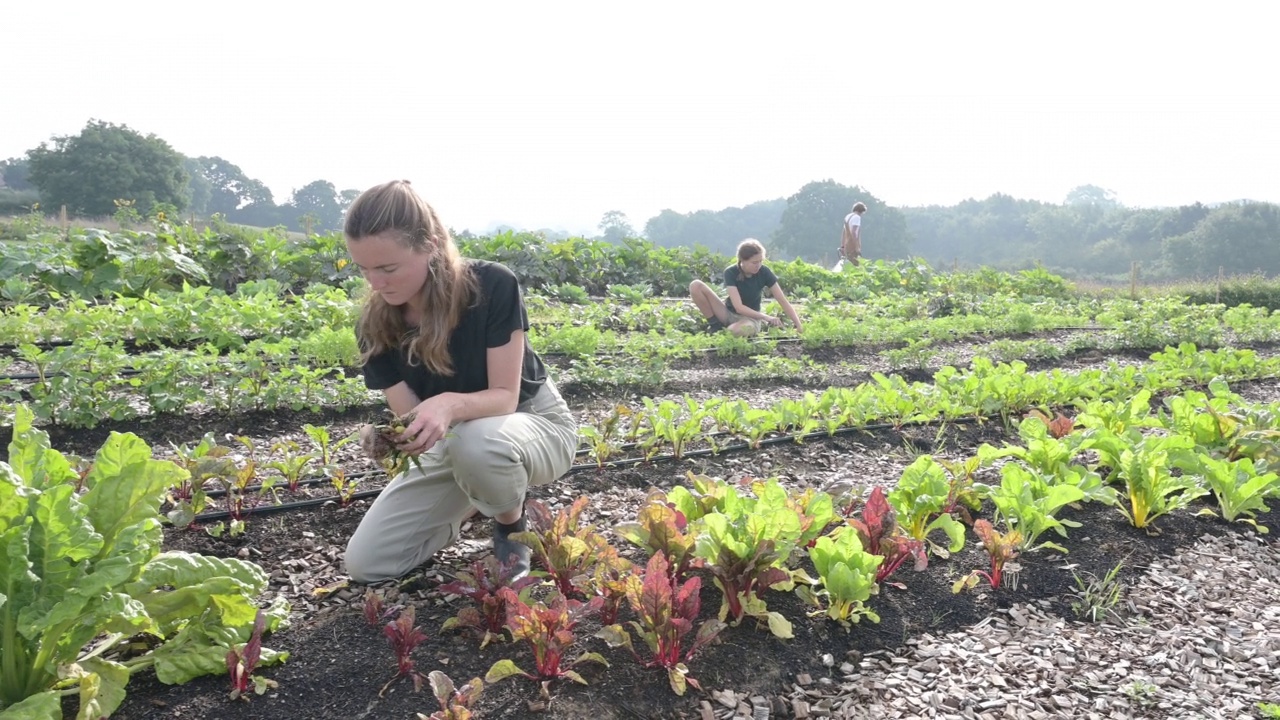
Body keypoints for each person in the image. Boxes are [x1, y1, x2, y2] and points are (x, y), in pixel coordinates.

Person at [342, 180, 578, 584]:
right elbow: (413, 417)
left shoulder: (491, 286)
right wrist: (392, 437)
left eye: (387, 268)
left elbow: (504, 398)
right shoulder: (374, 323)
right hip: (456, 442)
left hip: (531, 422)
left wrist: (448, 404)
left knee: (480, 444)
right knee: (368, 565)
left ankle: (510, 523)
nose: (375, 283)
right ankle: (478, 496)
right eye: (364, 269)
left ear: (430, 245)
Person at [689, 238, 803, 337]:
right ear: (742, 260)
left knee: (732, 331)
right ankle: (715, 326)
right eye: (754, 262)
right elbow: (738, 307)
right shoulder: (731, 272)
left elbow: (782, 300)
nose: (758, 265)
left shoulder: (764, 272)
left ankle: (728, 330)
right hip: (728, 313)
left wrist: (798, 325)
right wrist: (767, 317)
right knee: (696, 285)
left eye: (760, 261)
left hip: (750, 318)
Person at [836, 201, 868, 270]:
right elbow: (854, 233)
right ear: (861, 211)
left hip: (846, 244)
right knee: (855, 266)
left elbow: (844, 232)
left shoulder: (848, 216)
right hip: (852, 245)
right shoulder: (857, 217)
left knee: (846, 264)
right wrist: (856, 247)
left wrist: (842, 246)